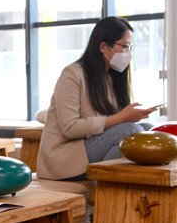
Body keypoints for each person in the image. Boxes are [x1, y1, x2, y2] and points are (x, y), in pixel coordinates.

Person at [37, 16, 157, 180]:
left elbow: (111, 121)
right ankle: (105, 185)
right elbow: (70, 128)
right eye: (125, 46)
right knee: (131, 131)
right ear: (103, 47)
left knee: (149, 128)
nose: (128, 53)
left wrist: (129, 116)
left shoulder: (111, 77)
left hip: (88, 146)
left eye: (130, 47)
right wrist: (121, 118)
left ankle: (121, 185)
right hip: (63, 157)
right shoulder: (72, 75)